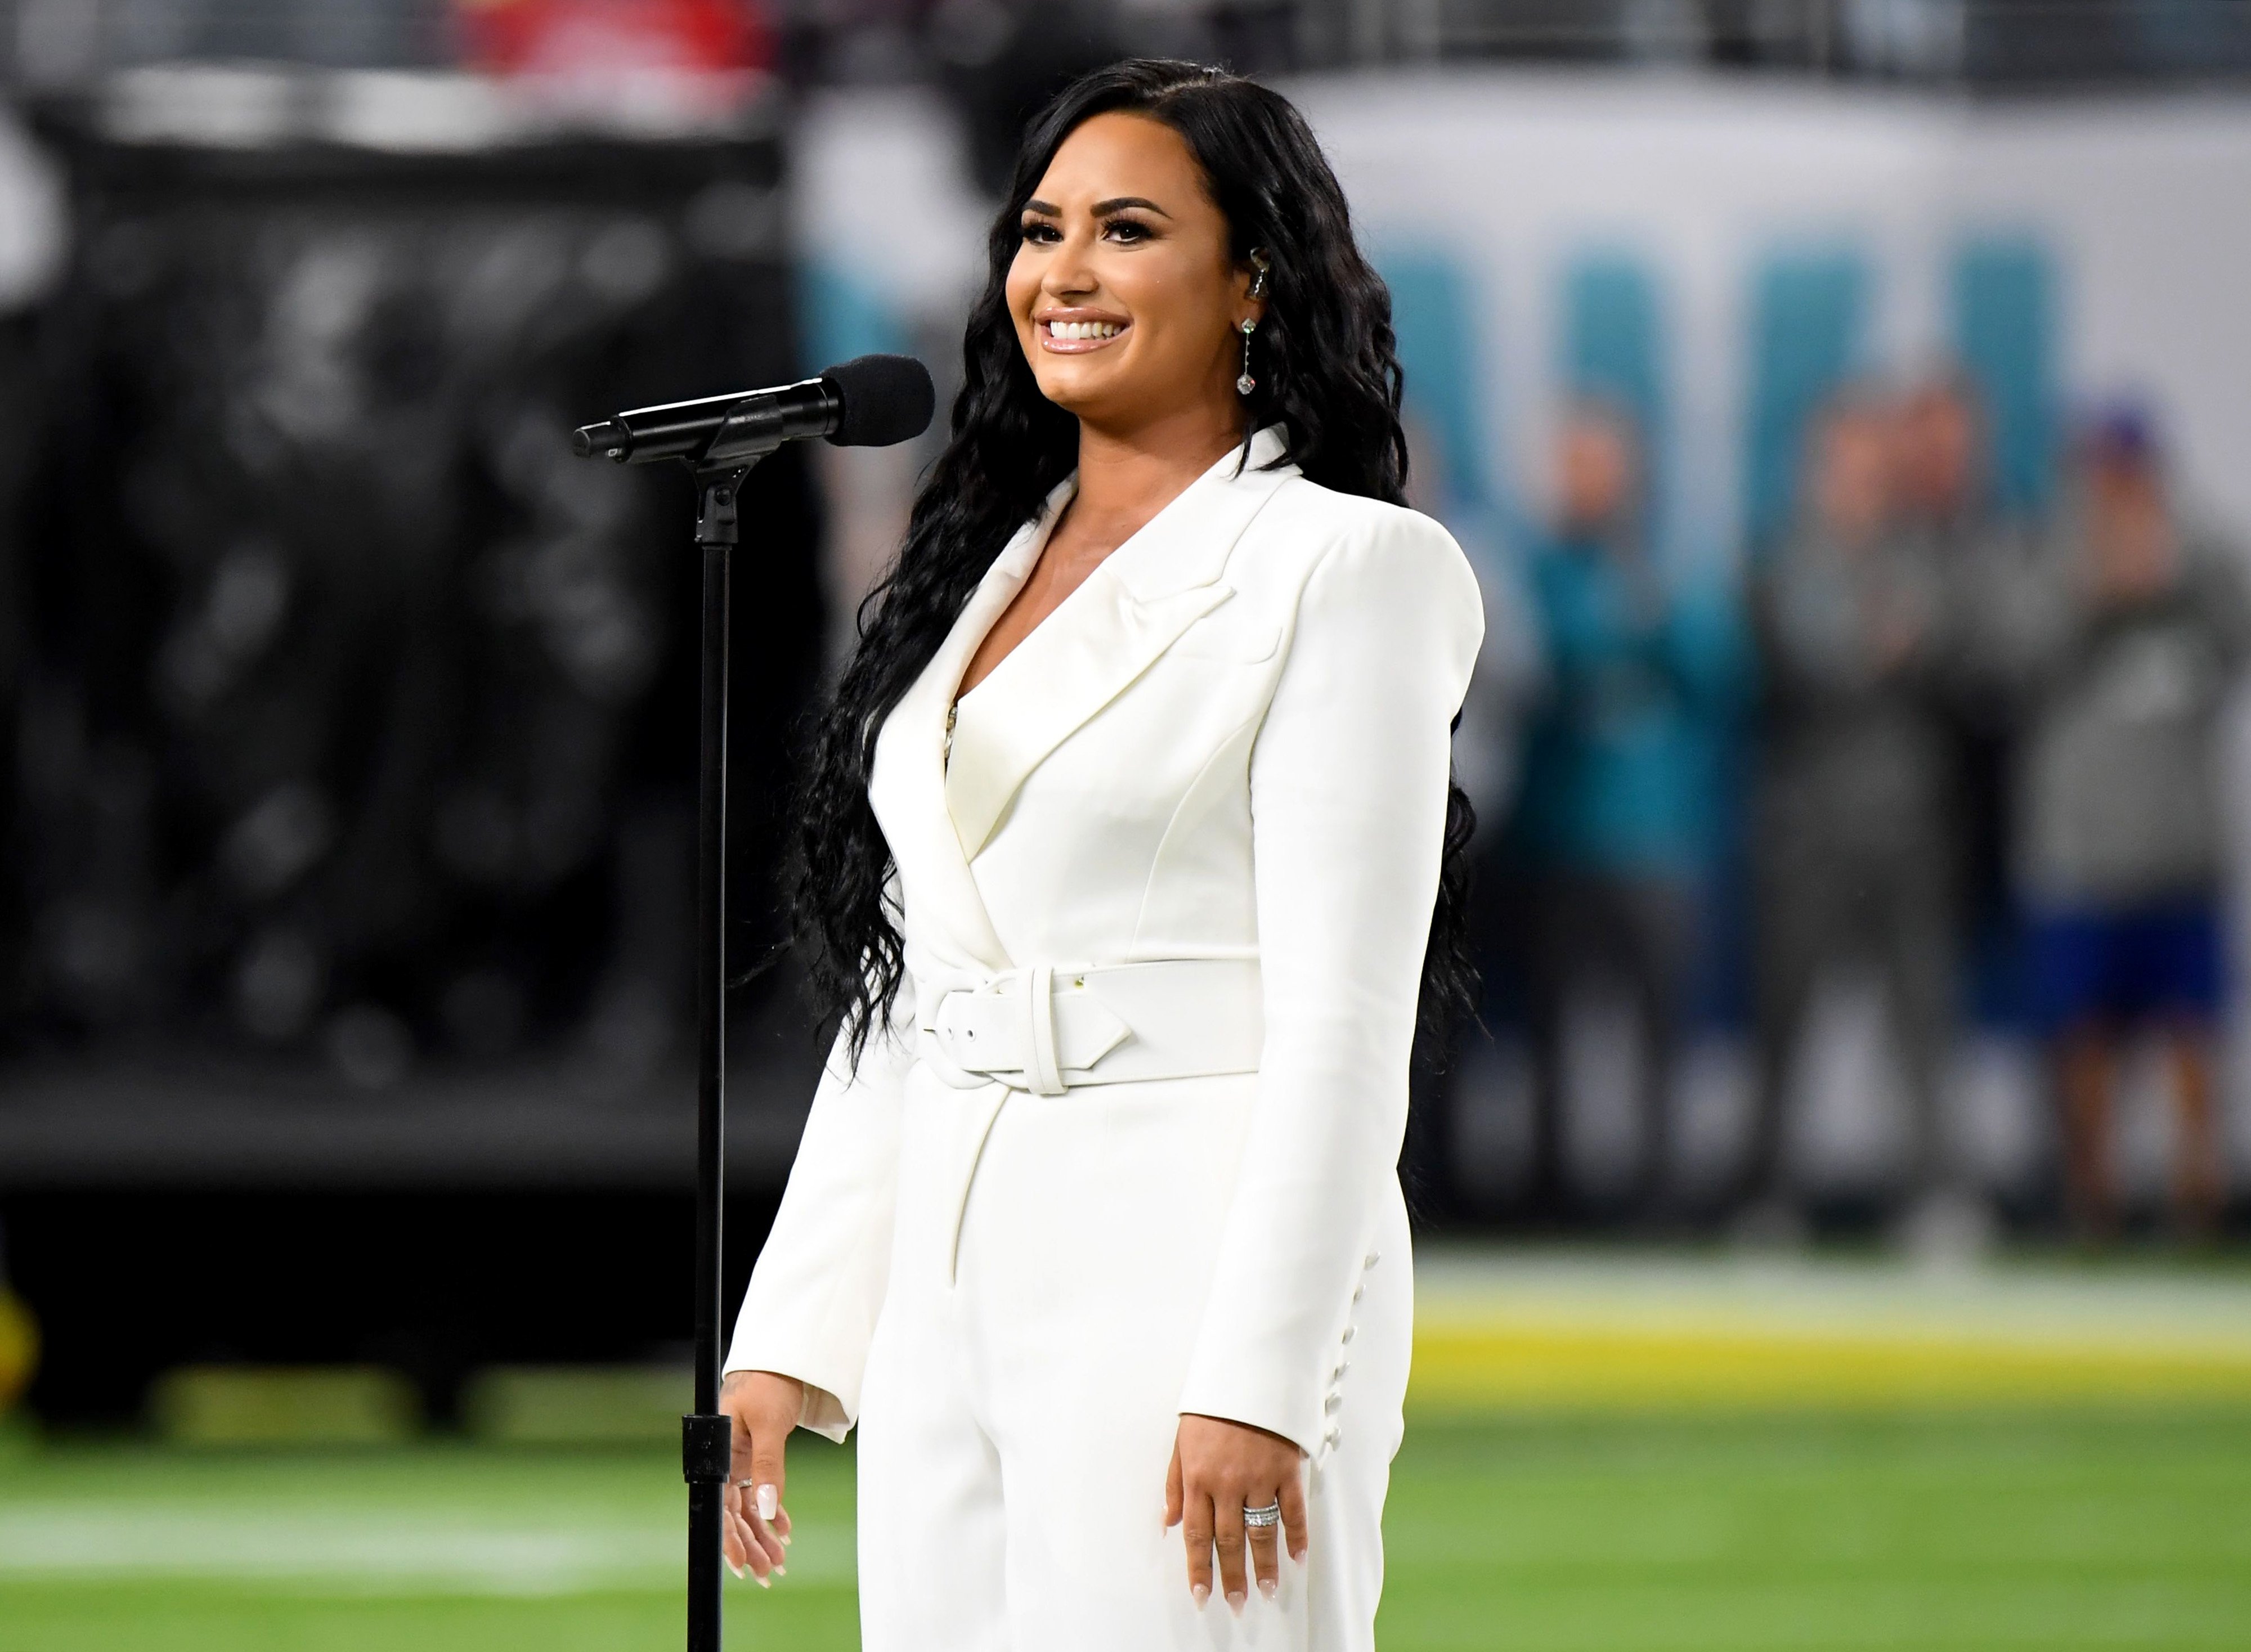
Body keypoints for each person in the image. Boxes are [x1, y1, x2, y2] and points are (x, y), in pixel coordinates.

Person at [715, 62, 1482, 1649]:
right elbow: (921, 982)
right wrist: (792, 1333)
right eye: (1040, 229)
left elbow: (1348, 1027)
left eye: (1126, 229)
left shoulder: (1347, 571)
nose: (1063, 271)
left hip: (1190, 1266)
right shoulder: (975, 574)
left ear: (1253, 278)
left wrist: (1263, 1379)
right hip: (951, 1278)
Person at [2017, 407, 2244, 1239]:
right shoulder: (2048, 559)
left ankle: (2198, 1201)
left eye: (2131, 473)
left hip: (2181, 854)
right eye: (2101, 474)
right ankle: (2093, 1204)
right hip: (2081, 854)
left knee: (2195, 1035)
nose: (2116, 491)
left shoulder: (2202, 556)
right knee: (2085, 1038)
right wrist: (2094, 591)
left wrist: (2177, 568)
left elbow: (2239, 634)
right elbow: (2009, 660)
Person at [1510, 401, 1739, 1219]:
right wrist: (1620, 638)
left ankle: (1661, 1195)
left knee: (1660, 1033)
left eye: (1599, 462)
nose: (1585, 481)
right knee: (1551, 1033)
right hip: (1561, 837)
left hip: (1655, 841)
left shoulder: (1671, 564)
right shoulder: (1536, 566)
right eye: (1572, 464)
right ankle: (1551, 1194)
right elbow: (1536, 665)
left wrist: (1649, 622)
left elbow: (1715, 669)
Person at [1747, 388, 1960, 1234]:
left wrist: (1884, 639)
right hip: (1809, 829)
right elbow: (1814, 654)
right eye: (1843, 460)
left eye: (1872, 463)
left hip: (1907, 824)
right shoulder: (1786, 554)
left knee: (1921, 1021)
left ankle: (1937, 1195)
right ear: (1817, 466)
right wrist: (1881, 641)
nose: (1859, 479)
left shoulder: (1919, 549)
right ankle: (1769, 1195)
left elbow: (1946, 639)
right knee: (1786, 1021)